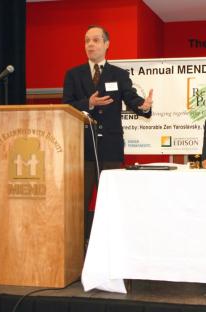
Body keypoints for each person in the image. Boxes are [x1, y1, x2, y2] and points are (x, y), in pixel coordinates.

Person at [63, 25, 153, 239]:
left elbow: (131, 98)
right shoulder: (73, 75)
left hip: (111, 148)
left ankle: (112, 243)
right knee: (79, 201)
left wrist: (144, 106)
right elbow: (66, 106)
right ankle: (80, 248)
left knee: (112, 199)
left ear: (106, 44)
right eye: (87, 41)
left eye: (95, 40)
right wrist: (89, 103)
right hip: (82, 147)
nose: (90, 45)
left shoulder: (119, 74)